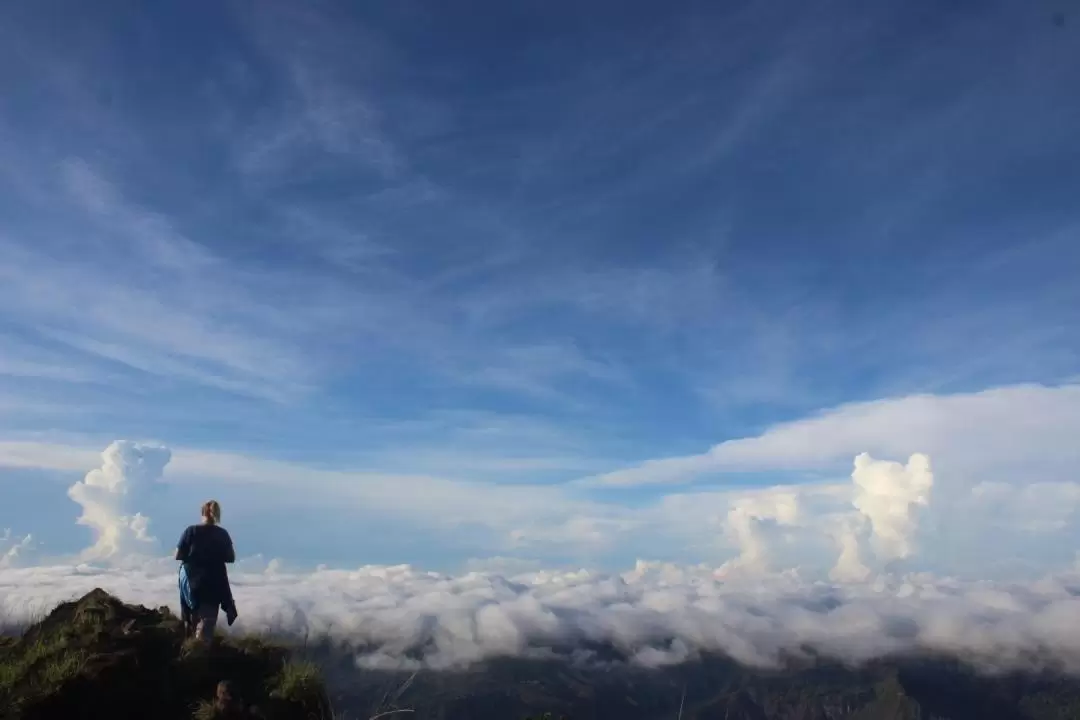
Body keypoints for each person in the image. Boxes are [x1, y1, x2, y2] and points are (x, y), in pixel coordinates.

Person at [176, 500, 238, 642]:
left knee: (192, 619)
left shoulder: (190, 531)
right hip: (213, 581)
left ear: (202, 512)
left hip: (190, 580)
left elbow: (178, 555)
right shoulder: (222, 534)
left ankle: (190, 650)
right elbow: (231, 558)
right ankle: (199, 654)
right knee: (207, 622)